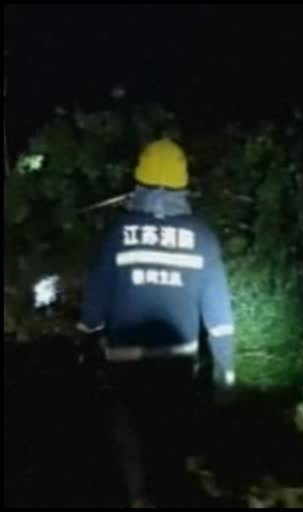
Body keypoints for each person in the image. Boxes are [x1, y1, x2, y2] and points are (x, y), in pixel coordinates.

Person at [77, 139, 236, 508]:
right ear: (184, 184)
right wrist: (225, 375)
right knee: (170, 441)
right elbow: (219, 316)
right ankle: (170, 492)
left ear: (140, 182)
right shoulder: (203, 237)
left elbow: (96, 301)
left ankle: (137, 498)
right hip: (178, 363)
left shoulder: (119, 233)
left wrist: (86, 334)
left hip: (124, 361)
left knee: (129, 435)